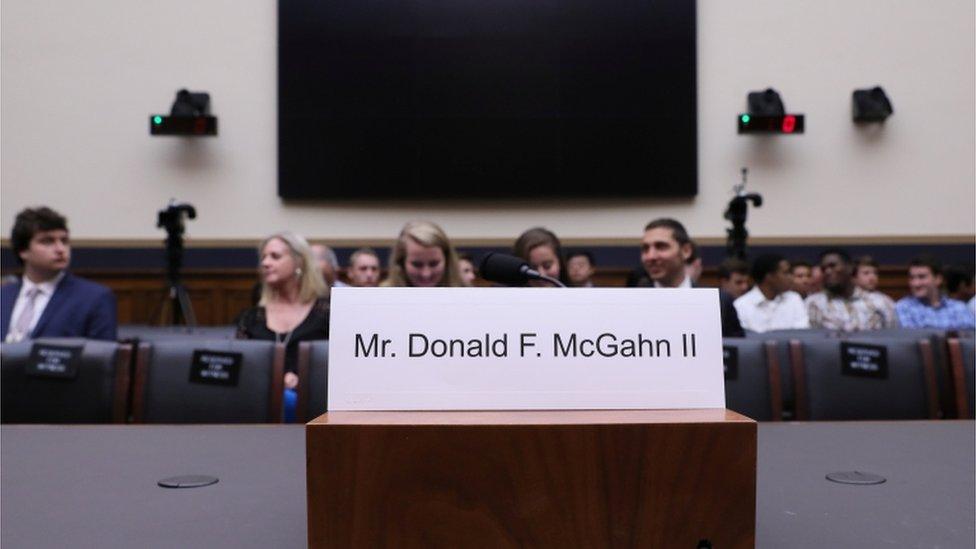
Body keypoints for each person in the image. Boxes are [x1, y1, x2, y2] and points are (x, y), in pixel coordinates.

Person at [236, 231, 330, 421]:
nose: (265, 263)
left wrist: (302, 380)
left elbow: (336, 367)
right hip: (260, 410)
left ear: (299, 262)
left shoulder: (326, 313)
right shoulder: (252, 318)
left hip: (316, 409)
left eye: (275, 256)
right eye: (263, 257)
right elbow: (242, 371)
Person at [1, 207, 117, 342]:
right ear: (23, 250)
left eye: (64, 241)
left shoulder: (94, 298)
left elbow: (102, 358)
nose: (60, 249)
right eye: (47, 241)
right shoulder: (4, 295)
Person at [637, 218, 744, 337]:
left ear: (686, 251)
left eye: (661, 246)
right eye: (645, 249)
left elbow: (736, 350)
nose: (650, 256)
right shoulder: (630, 303)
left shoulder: (719, 302)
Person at [806, 248, 898, 331]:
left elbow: (894, 340)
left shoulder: (881, 302)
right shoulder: (814, 303)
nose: (828, 271)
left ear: (850, 267)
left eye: (833, 266)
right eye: (823, 269)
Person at [894, 255, 975, 330]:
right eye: (912, 278)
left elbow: (971, 340)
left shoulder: (958, 308)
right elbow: (908, 342)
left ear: (938, 279)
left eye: (922, 277)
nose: (915, 283)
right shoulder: (903, 308)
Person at [733, 254, 809, 332]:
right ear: (769, 276)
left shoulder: (794, 299)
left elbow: (802, 334)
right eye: (785, 273)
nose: (790, 278)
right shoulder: (741, 305)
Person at [382, 221, 466, 287]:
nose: (426, 274)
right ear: (401, 262)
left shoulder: (468, 295)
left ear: (447, 260)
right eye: (417, 265)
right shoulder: (381, 296)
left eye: (434, 264)